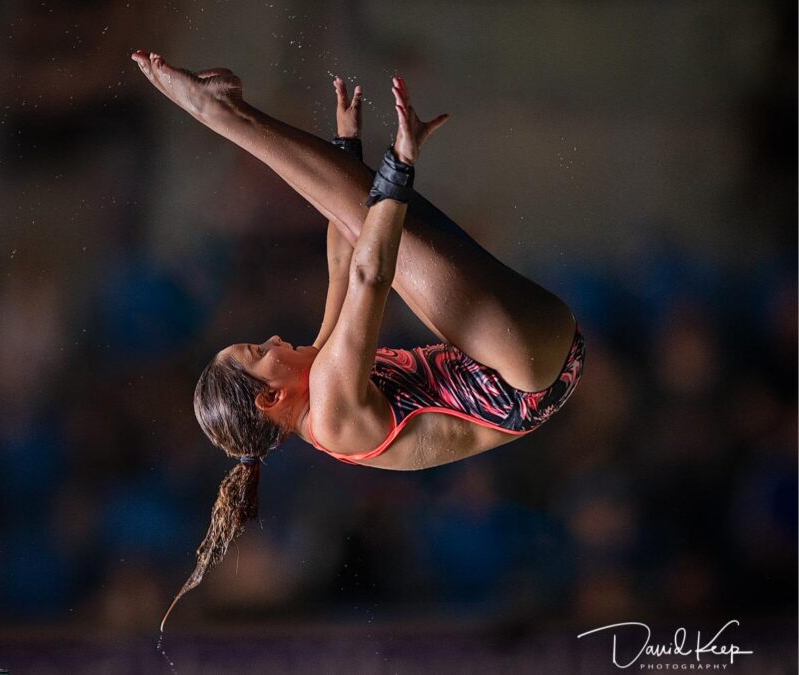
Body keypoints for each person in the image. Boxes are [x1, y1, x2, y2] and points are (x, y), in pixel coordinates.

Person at [131, 51, 584, 630]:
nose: (271, 338)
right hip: (519, 375)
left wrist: (348, 152)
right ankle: (222, 115)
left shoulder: (317, 378)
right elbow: (372, 275)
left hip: (516, 353)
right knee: (381, 211)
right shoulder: (334, 416)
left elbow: (344, 264)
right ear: (269, 398)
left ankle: (226, 114)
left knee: (369, 211)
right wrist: (399, 166)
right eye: (258, 353)